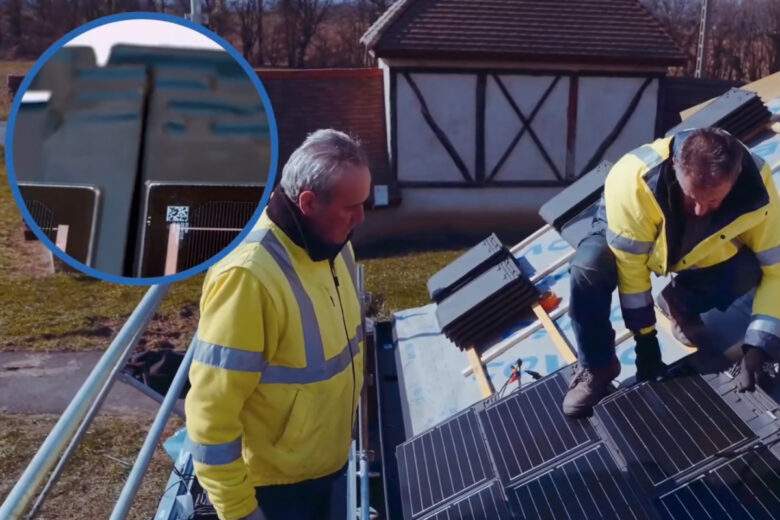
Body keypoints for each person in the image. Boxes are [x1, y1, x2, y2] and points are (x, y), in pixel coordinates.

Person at [184, 129, 371, 519]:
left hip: (327, 465)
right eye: (350, 206)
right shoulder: (248, 277)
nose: (361, 217)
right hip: (276, 492)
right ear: (307, 202)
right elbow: (210, 417)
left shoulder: (334, 247)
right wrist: (240, 511)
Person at [563, 127, 780, 418]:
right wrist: (646, 341)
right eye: (693, 198)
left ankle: (682, 302)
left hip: (699, 247)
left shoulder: (757, 187)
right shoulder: (632, 180)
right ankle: (597, 365)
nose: (701, 210)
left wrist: (758, 345)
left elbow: (777, 270)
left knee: (748, 268)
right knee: (588, 267)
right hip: (635, 230)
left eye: (714, 201)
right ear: (676, 165)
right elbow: (633, 273)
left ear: (736, 177)